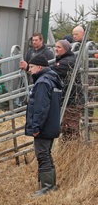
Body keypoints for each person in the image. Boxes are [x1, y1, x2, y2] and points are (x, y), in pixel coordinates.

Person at [25, 54, 62, 196]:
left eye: (32, 67)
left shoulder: (42, 82)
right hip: (51, 124)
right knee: (46, 153)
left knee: (42, 154)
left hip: (44, 126)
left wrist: (36, 127)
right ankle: (50, 186)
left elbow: (40, 108)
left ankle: (47, 187)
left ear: (39, 67)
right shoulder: (52, 80)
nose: (30, 70)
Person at [51, 40, 83, 140]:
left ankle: (72, 150)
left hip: (72, 100)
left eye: (59, 47)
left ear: (66, 49)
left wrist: (34, 68)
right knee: (67, 127)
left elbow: (52, 71)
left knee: (70, 128)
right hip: (68, 98)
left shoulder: (67, 61)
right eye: (55, 47)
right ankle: (68, 149)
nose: (56, 49)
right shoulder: (65, 59)